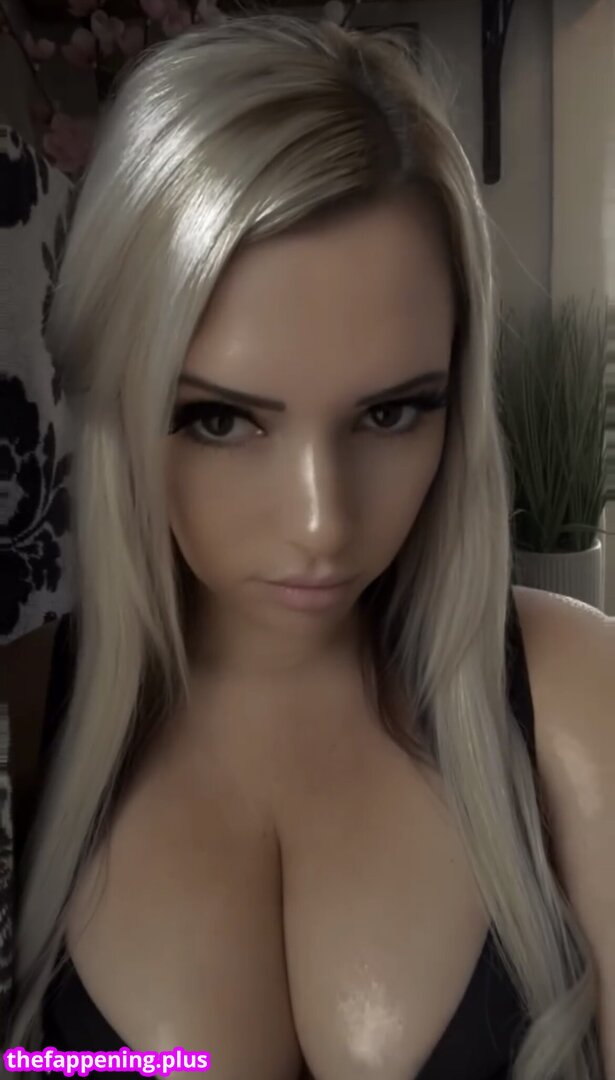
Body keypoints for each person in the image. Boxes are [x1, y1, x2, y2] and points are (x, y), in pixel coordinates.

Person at [5, 13, 613, 1080]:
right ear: (115, 402)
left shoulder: (575, 705)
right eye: (220, 420)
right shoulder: (16, 736)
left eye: (390, 414)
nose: (323, 522)